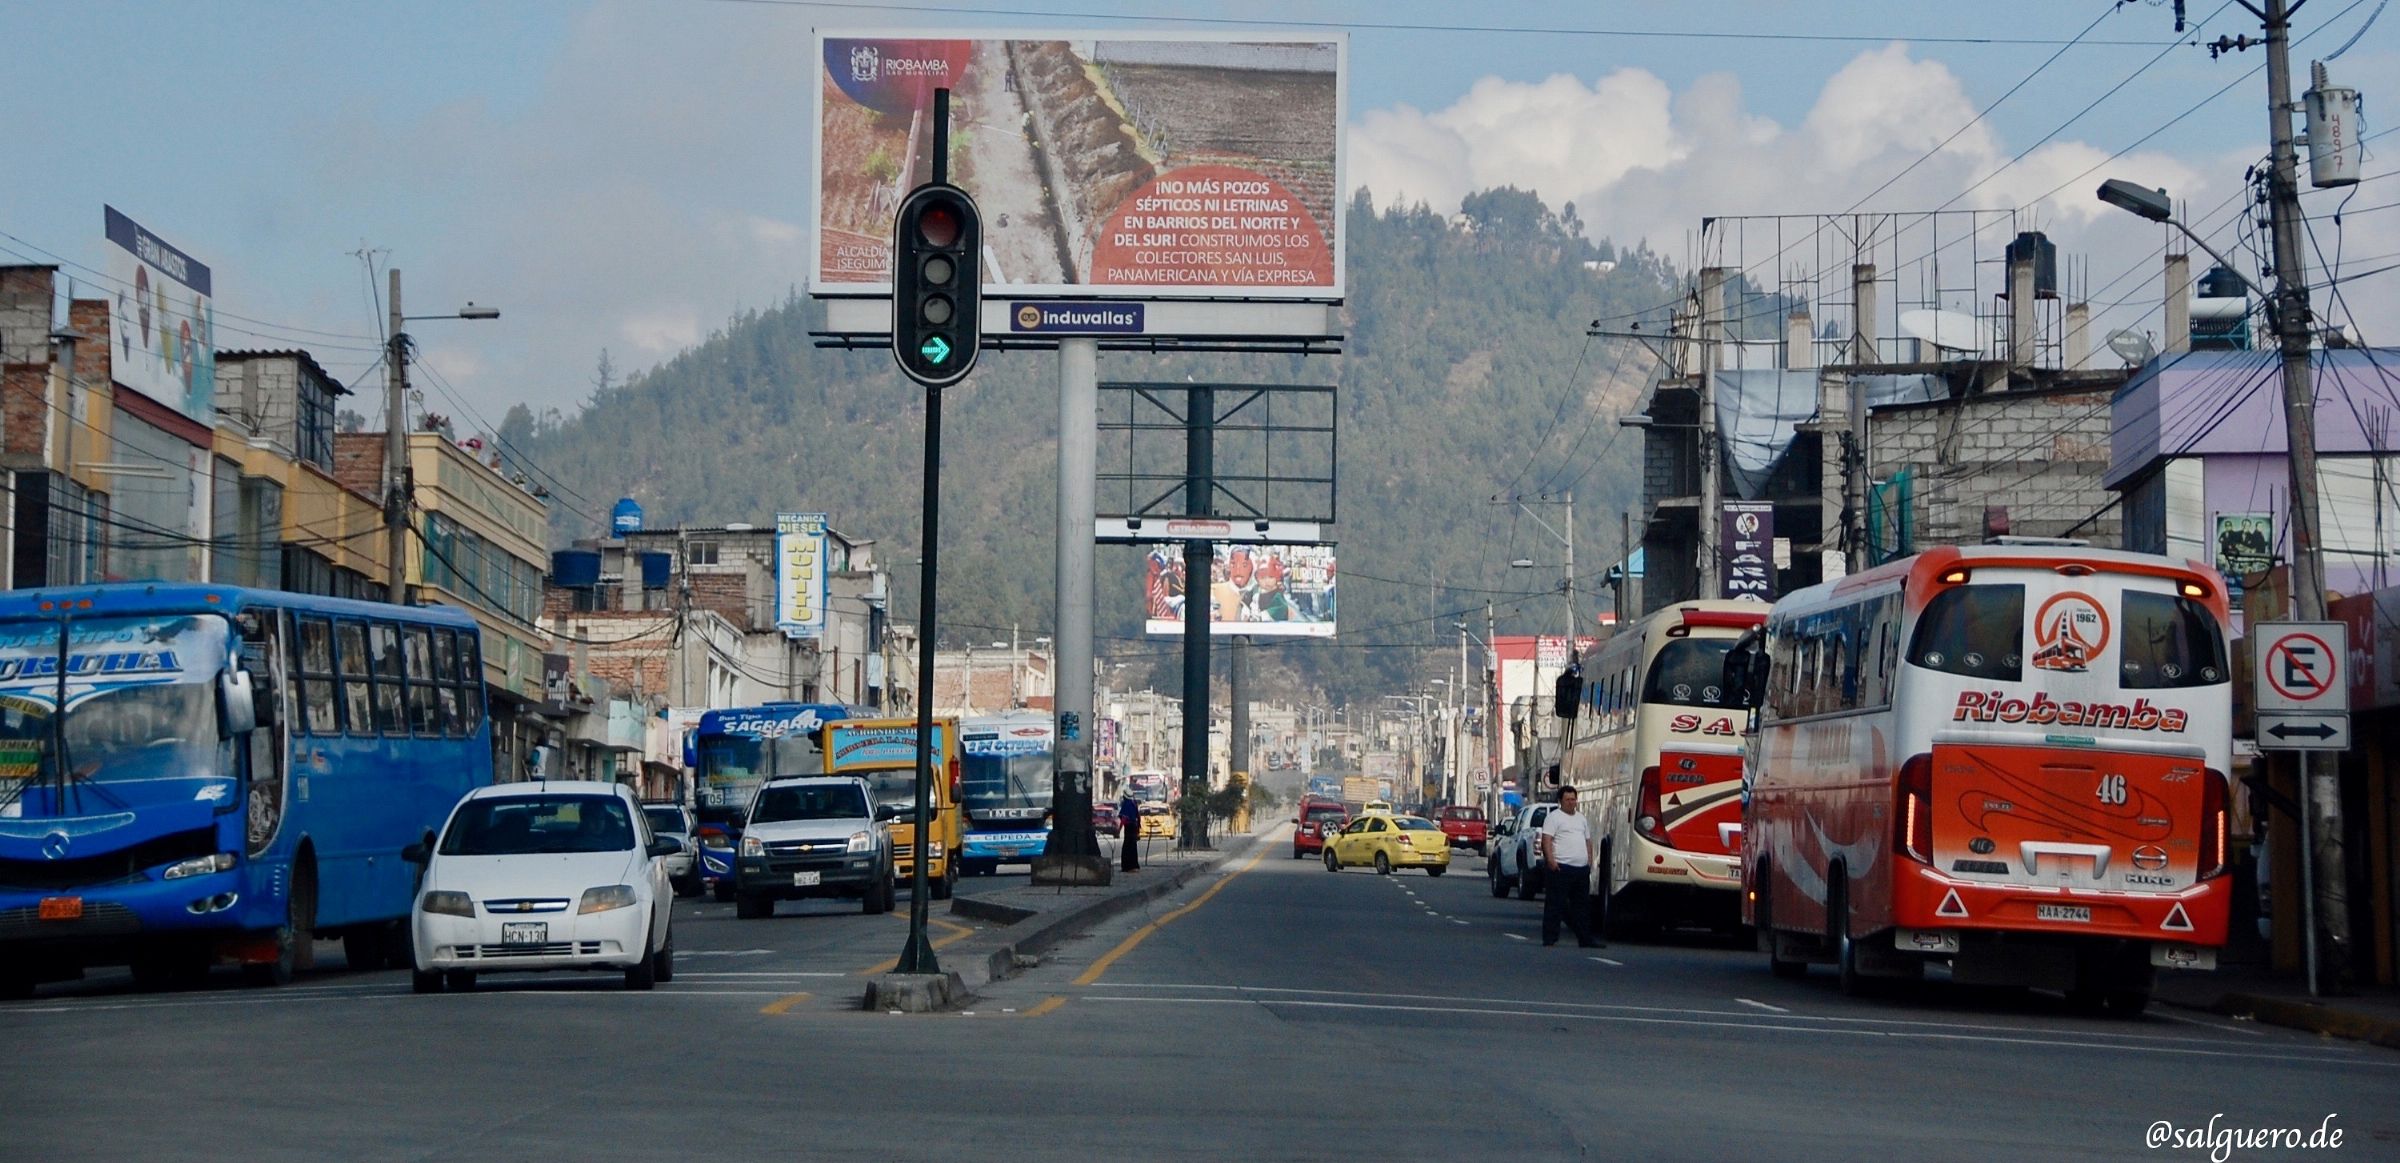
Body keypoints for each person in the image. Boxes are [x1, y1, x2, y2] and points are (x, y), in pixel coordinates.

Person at [1538, 785, 1600, 948]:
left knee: (1582, 907)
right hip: (1561, 868)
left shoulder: (1581, 819)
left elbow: (1587, 841)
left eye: (1573, 799)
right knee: (1555, 905)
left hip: (1580, 869)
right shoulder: (1554, 818)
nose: (1571, 803)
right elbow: (1547, 840)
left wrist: (1589, 861)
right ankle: (1550, 938)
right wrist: (1551, 861)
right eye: (1568, 800)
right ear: (1560, 801)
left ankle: (1585, 938)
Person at [1118, 788, 1142, 872]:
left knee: (1127, 847)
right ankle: (1134, 866)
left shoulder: (1126, 804)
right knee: (1133, 846)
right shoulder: (1133, 804)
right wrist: (1138, 830)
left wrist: (1119, 829)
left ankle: (1127, 867)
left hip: (1129, 828)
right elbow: (1138, 817)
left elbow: (1124, 819)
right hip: (1134, 827)